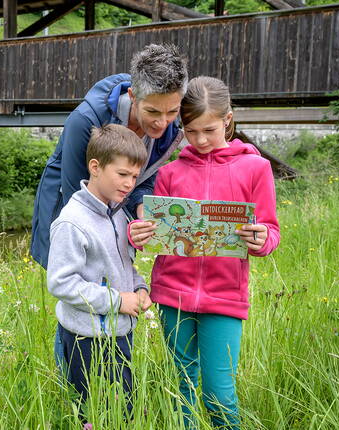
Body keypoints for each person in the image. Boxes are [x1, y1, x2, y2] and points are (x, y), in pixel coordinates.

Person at [130, 76, 281, 429]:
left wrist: (262, 240)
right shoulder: (169, 173)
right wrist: (139, 234)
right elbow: (154, 234)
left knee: (219, 392)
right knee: (180, 389)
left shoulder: (256, 168)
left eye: (208, 130)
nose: (199, 141)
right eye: (190, 131)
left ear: (228, 119)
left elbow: (270, 230)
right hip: (172, 297)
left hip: (225, 298)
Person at [30, 43, 189, 269]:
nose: (162, 122)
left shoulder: (169, 130)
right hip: (69, 212)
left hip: (115, 214)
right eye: (152, 111)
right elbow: (77, 194)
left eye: (172, 112)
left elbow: (143, 182)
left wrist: (142, 208)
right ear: (133, 96)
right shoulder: (85, 121)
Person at [47, 124, 153, 424]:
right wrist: (118, 300)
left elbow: (124, 266)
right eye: (122, 174)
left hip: (119, 333)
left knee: (123, 411)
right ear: (95, 167)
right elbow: (61, 283)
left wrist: (140, 288)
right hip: (86, 339)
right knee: (92, 415)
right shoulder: (72, 222)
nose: (130, 184)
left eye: (134, 176)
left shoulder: (118, 214)